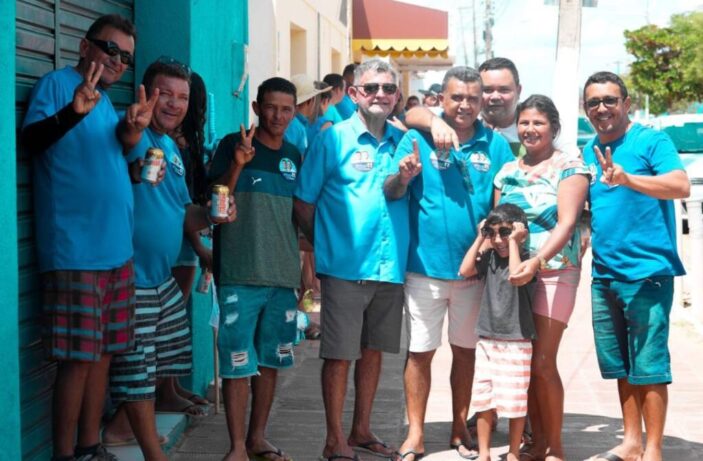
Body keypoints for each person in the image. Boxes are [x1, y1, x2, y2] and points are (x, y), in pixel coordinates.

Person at [21, 14, 156, 461]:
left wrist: (136, 158)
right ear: (84, 46)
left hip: (116, 252)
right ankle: (64, 454)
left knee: (103, 356)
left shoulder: (107, 104)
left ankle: (89, 446)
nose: (118, 61)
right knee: (77, 360)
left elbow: (106, 164)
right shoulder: (59, 87)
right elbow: (33, 141)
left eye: (126, 57)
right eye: (110, 49)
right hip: (75, 251)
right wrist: (71, 112)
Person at [103, 59, 235, 461]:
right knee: (138, 369)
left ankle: (122, 429)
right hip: (131, 273)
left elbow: (182, 214)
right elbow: (125, 140)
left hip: (160, 277)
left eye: (182, 97)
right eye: (165, 94)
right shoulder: (133, 131)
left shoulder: (171, 149)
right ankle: (149, 452)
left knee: (166, 354)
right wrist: (134, 128)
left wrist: (211, 215)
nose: (174, 104)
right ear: (145, 93)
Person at [384, 66, 514, 460]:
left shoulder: (495, 145)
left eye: (473, 98)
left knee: (465, 353)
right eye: (457, 97)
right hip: (424, 268)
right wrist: (403, 178)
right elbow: (390, 190)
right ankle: (415, 434)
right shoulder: (417, 138)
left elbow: (507, 201)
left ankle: (459, 427)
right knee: (420, 352)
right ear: (441, 98)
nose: (465, 105)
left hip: (474, 273)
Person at [294, 58, 408, 461]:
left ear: (397, 96)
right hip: (344, 269)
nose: (380, 95)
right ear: (355, 93)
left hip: (389, 267)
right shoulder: (333, 138)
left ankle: (361, 431)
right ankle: (334, 439)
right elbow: (303, 202)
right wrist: (327, 244)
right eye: (371, 88)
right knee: (340, 354)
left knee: (373, 351)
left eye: (388, 88)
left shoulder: (403, 141)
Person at [581, 71, 689, 461]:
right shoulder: (589, 150)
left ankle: (654, 449)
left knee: (650, 365)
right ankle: (631, 442)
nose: (602, 108)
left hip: (648, 274)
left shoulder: (651, 141)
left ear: (626, 104)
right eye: (593, 102)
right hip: (604, 274)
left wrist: (629, 179)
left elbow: (680, 185)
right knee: (621, 365)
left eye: (610, 100)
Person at [209, 77, 302, 461]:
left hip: (282, 276)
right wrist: (237, 164)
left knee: (271, 360)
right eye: (271, 107)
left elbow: (298, 216)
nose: (278, 116)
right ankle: (236, 447)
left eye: (286, 109)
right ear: (256, 108)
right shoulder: (233, 145)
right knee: (236, 363)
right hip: (239, 273)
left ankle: (257, 438)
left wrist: (306, 271)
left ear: (294, 112)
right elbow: (215, 200)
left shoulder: (295, 155)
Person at [493, 95, 590, 461]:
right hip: (516, 277)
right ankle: (535, 442)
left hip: (554, 273)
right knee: (525, 363)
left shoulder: (570, 167)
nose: (530, 129)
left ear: (554, 127)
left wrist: (537, 261)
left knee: (544, 362)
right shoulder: (507, 171)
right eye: (524, 122)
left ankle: (555, 447)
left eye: (538, 123)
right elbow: (498, 223)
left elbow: (567, 223)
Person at [458, 203, 536, 461]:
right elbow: (465, 270)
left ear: (520, 232)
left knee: (515, 402)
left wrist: (514, 242)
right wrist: (480, 237)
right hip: (487, 338)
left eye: (505, 232)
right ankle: (484, 452)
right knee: (483, 400)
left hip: (516, 340)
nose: (499, 239)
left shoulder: (528, 260)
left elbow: (515, 275)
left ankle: (513, 452)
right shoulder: (489, 257)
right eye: (493, 233)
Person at [156, 70, 213, 417]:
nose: (177, 104)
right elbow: (180, 205)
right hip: (179, 241)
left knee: (175, 319)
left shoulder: (183, 141)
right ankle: (163, 391)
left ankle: (171, 385)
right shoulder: (171, 142)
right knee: (169, 320)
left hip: (184, 238)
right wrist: (200, 246)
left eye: (185, 97)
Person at [478, 58, 523, 156]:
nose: (495, 97)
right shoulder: (463, 130)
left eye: (504, 90)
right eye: (487, 90)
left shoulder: (538, 131)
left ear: (518, 91)